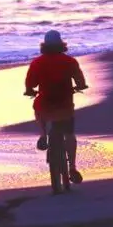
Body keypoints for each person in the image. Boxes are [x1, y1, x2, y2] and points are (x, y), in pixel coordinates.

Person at [24, 29, 87, 183]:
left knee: (37, 107)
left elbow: (30, 84)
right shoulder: (70, 61)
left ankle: (43, 135)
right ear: (61, 44)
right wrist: (80, 86)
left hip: (45, 104)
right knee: (70, 134)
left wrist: (30, 90)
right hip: (64, 104)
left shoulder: (37, 63)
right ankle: (72, 167)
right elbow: (80, 81)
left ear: (44, 45)